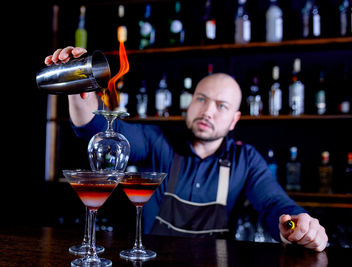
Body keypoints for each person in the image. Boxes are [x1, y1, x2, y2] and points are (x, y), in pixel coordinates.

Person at [45, 46, 328, 252]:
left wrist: (298, 224)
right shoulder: (159, 142)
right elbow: (98, 130)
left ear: (234, 120)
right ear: (189, 103)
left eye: (221, 106)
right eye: (201, 99)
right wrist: (80, 86)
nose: (208, 111)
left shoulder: (245, 159)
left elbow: (273, 204)